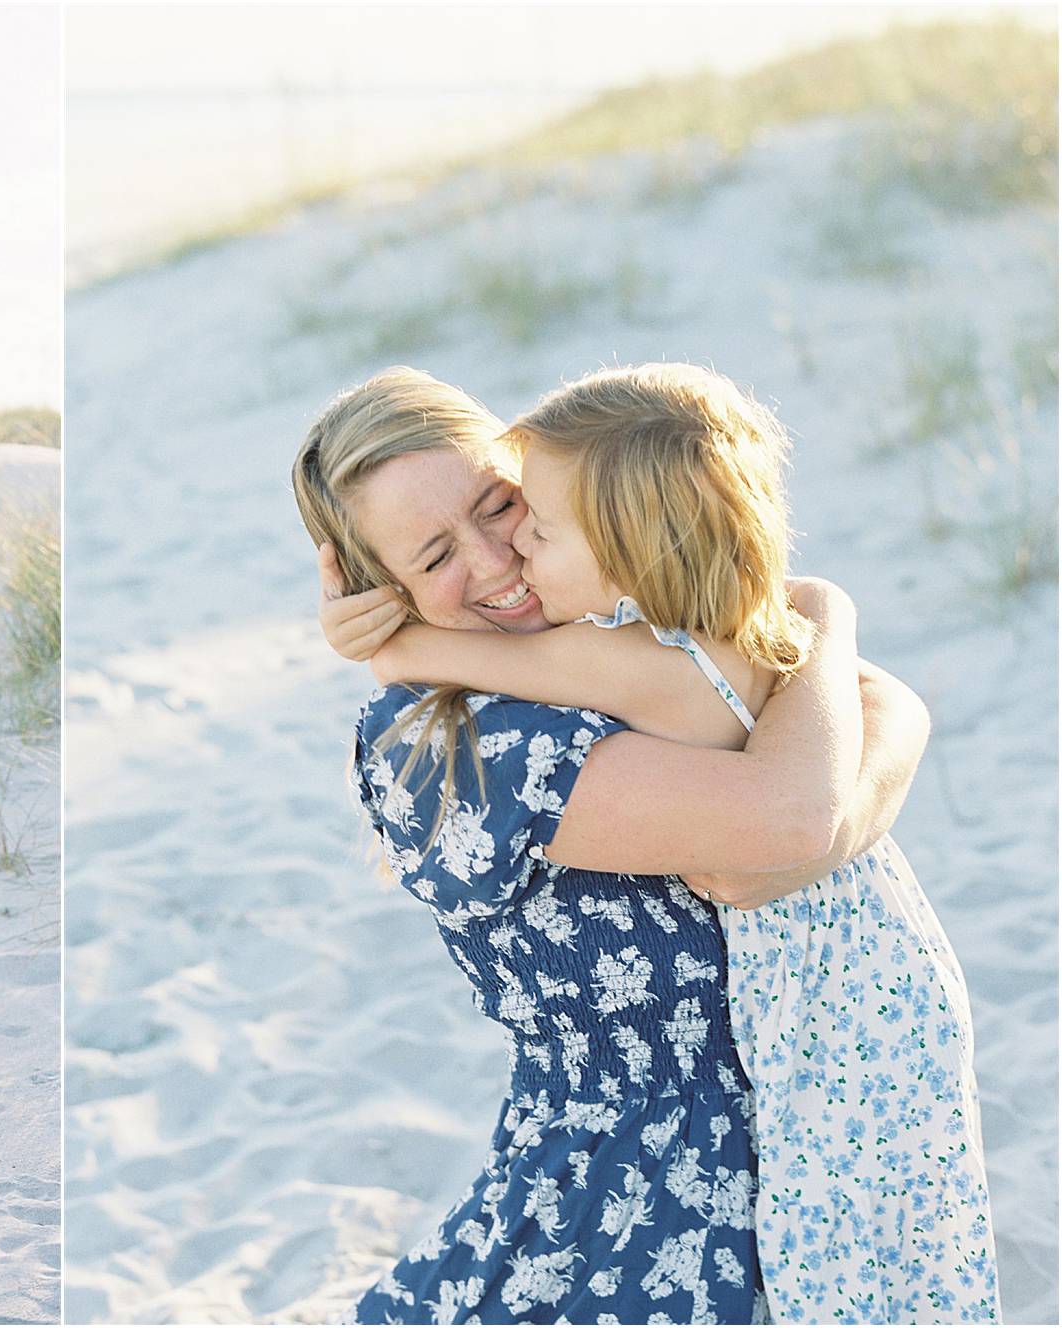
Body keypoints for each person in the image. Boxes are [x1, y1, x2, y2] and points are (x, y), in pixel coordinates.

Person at [353, 363, 996, 1323]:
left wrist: (391, 643)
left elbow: (819, 781)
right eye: (434, 556)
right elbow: (860, 710)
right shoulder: (699, 629)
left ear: (626, 536)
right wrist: (823, 615)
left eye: (511, 508)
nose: (504, 555)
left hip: (816, 1042)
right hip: (805, 1039)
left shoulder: (641, 651)